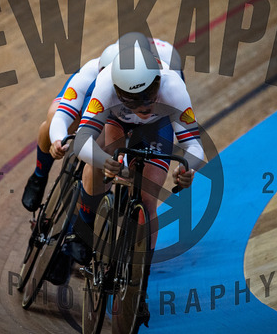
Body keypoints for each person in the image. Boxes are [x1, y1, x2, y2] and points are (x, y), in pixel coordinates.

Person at [64, 45, 205, 265]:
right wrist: (103, 161)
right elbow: (82, 140)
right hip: (117, 120)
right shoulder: (105, 85)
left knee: (148, 198)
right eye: (135, 100)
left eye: (150, 96)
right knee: (100, 162)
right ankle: (85, 227)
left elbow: (193, 145)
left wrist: (188, 167)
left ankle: (140, 274)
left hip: (156, 126)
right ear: (118, 91)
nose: (145, 108)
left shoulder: (173, 87)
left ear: (158, 81)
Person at [21, 33, 184, 212]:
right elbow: (61, 116)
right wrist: (59, 139)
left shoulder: (168, 74)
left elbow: (171, 119)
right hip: (103, 101)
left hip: (142, 104)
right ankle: (39, 175)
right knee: (55, 118)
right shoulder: (94, 72)